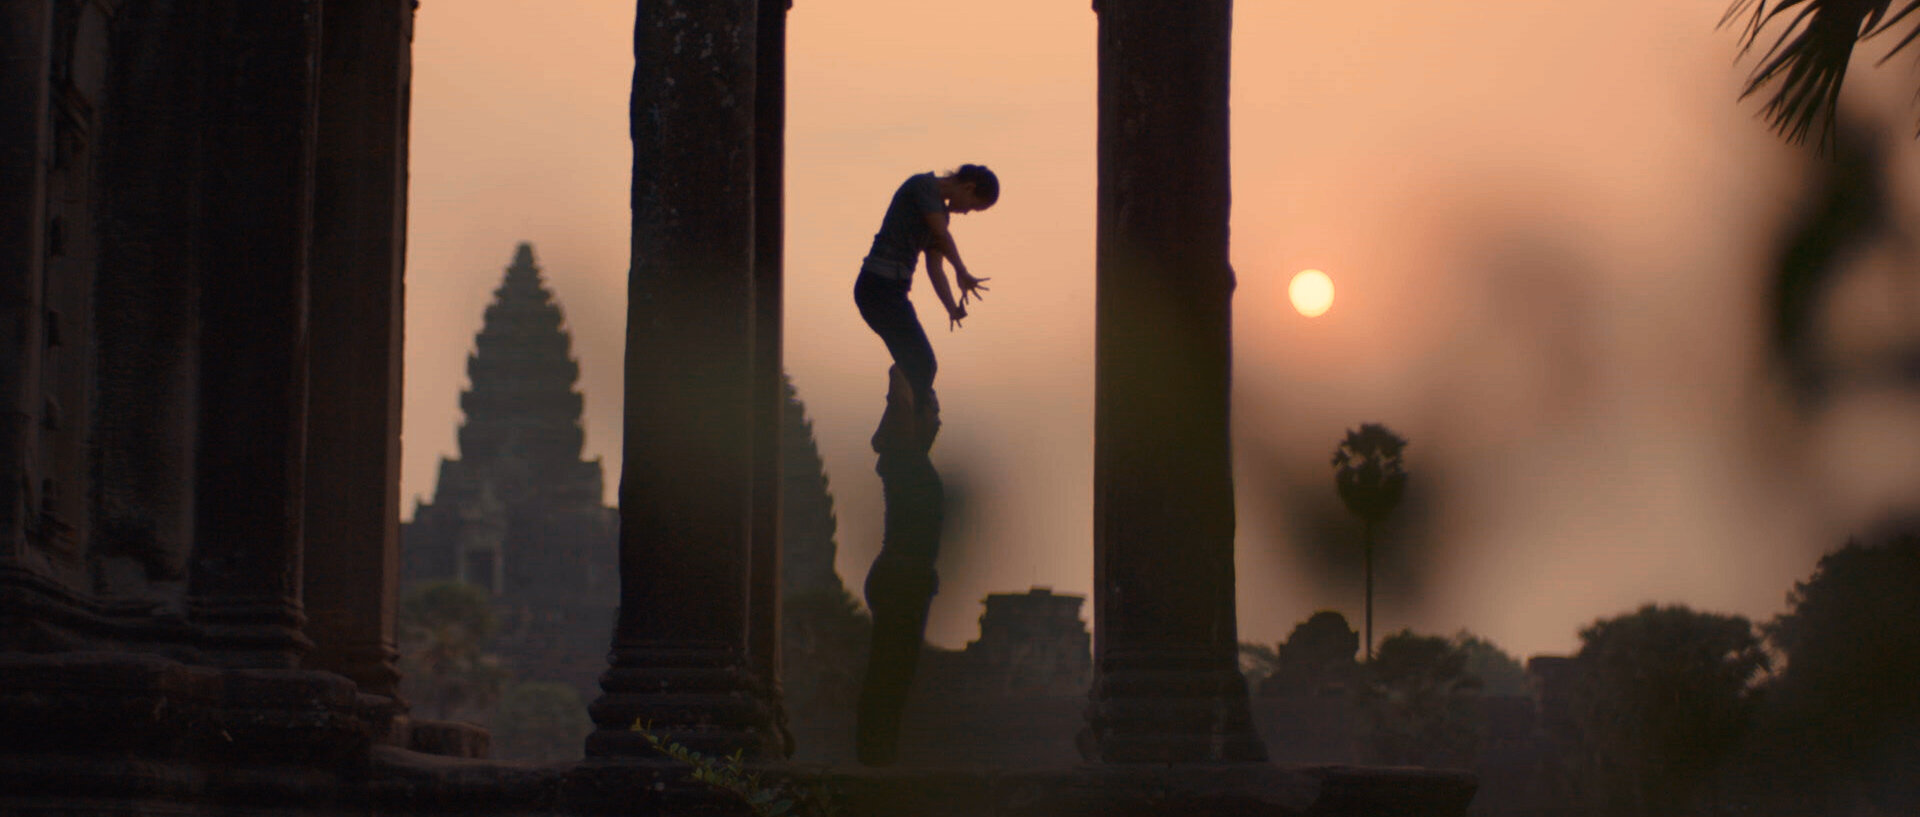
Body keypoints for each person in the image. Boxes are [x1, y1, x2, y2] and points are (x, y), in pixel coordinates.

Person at [854, 164, 998, 450]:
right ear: (968, 188)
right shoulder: (922, 187)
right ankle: (905, 435)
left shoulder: (940, 216)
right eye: (972, 206)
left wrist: (951, 307)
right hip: (877, 287)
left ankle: (896, 434)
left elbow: (935, 267)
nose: (967, 212)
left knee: (920, 365)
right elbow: (942, 237)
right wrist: (963, 270)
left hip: (893, 292)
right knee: (922, 364)